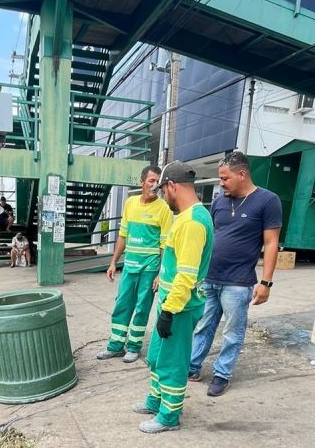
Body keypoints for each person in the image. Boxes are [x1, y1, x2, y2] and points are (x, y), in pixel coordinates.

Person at [188, 151, 282, 397]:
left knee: (232, 331)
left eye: (225, 178)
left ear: (242, 174)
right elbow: (210, 237)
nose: (221, 184)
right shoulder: (219, 201)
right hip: (209, 277)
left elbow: (271, 243)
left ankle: (222, 374)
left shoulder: (267, 200)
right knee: (203, 325)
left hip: (238, 283)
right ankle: (193, 367)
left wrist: (266, 282)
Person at [132, 160, 213, 434]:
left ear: (173, 186)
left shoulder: (192, 223)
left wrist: (169, 311)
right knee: (156, 356)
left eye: (163, 191)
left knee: (172, 362)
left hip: (179, 306)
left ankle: (169, 416)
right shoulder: (187, 217)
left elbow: (186, 275)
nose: (162, 197)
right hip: (170, 302)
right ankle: (156, 400)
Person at [96, 165, 172, 364]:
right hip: (129, 265)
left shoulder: (163, 208)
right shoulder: (130, 203)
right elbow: (123, 235)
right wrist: (113, 263)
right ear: (142, 182)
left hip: (149, 268)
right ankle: (115, 346)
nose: (155, 185)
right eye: (151, 181)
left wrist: (160, 274)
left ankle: (134, 346)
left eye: (158, 182)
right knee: (122, 304)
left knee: (141, 307)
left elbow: (165, 244)